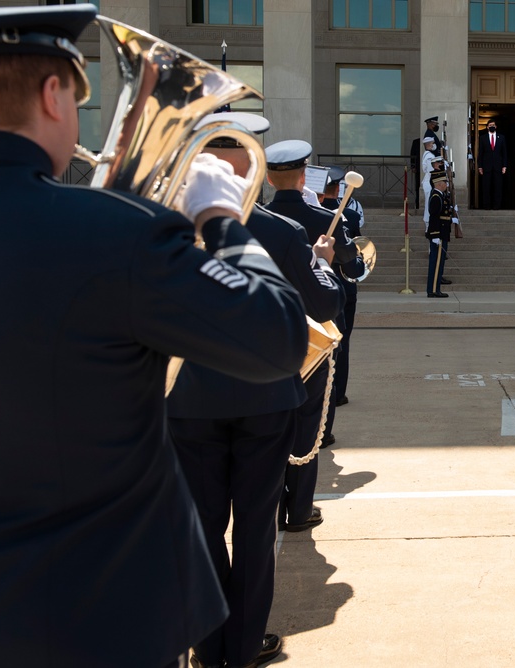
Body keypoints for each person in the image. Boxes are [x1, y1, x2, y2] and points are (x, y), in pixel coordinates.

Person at [0, 6, 310, 666]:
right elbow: (276, 336)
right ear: (53, 95)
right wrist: (222, 219)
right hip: (101, 612)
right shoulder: (111, 233)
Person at [167, 113, 346, 668]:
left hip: (190, 402)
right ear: (254, 164)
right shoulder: (282, 232)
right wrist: (323, 266)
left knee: (200, 527)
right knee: (254, 529)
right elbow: (327, 304)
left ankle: (208, 641)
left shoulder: (161, 227)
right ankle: (242, 647)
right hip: (265, 401)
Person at [264, 145, 362, 531]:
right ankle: (300, 508)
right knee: (309, 423)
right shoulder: (326, 219)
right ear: (304, 176)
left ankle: (271, 504)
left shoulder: (258, 220)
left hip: (270, 333)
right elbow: (353, 266)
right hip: (316, 335)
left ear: (269, 178)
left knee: (271, 423)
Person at [321, 166, 367, 406]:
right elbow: (355, 250)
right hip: (343, 285)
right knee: (343, 340)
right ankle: (338, 393)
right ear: (338, 188)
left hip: (314, 287)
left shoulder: (309, 213)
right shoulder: (350, 214)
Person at [426, 169, 453, 297]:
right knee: (436, 264)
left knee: (439, 263)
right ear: (438, 183)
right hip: (439, 235)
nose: (446, 184)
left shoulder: (440, 196)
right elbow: (434, 217)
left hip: (442, 234)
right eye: (444, 182)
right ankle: (433, 290)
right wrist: (435, 235)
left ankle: (435, 289)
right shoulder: (436, 196)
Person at [478, 119, 507, 209]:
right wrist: (480, 166)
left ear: (496, 127)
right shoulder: (483, 138)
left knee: (498, 187)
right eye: (490, 125)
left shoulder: (501, 137)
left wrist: (504, 165)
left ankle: (496, 206)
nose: (492, 126)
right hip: (486, 166)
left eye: (493, 125)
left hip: (498, 166)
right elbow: (480, 153)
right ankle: (486, 206)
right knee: (486, 187)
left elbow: (504, 152)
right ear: (487, 127)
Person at [421, 135, 438, 224]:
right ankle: (427, 224)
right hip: (429, 182)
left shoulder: (429, 155)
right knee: (428, 204)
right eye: (432, 143)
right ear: (428, 144)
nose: (433, 145)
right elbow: (430, 169)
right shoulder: (429, 156)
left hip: (429, 181)